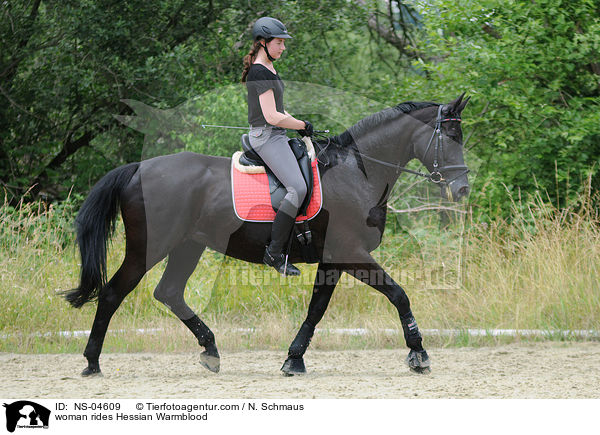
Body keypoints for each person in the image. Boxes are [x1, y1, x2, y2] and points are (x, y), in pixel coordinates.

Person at [241, 17, 313, 276]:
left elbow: (280, 110)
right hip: (268, 136)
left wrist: (299, 124)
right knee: (298, 187)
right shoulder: (259, 71)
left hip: (278, 134)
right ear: (263, 42)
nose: (283, 48)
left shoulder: (269, 68)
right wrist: (300, 123)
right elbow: (271, 116)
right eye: (279, 43)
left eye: (283, 43)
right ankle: (274, 253)